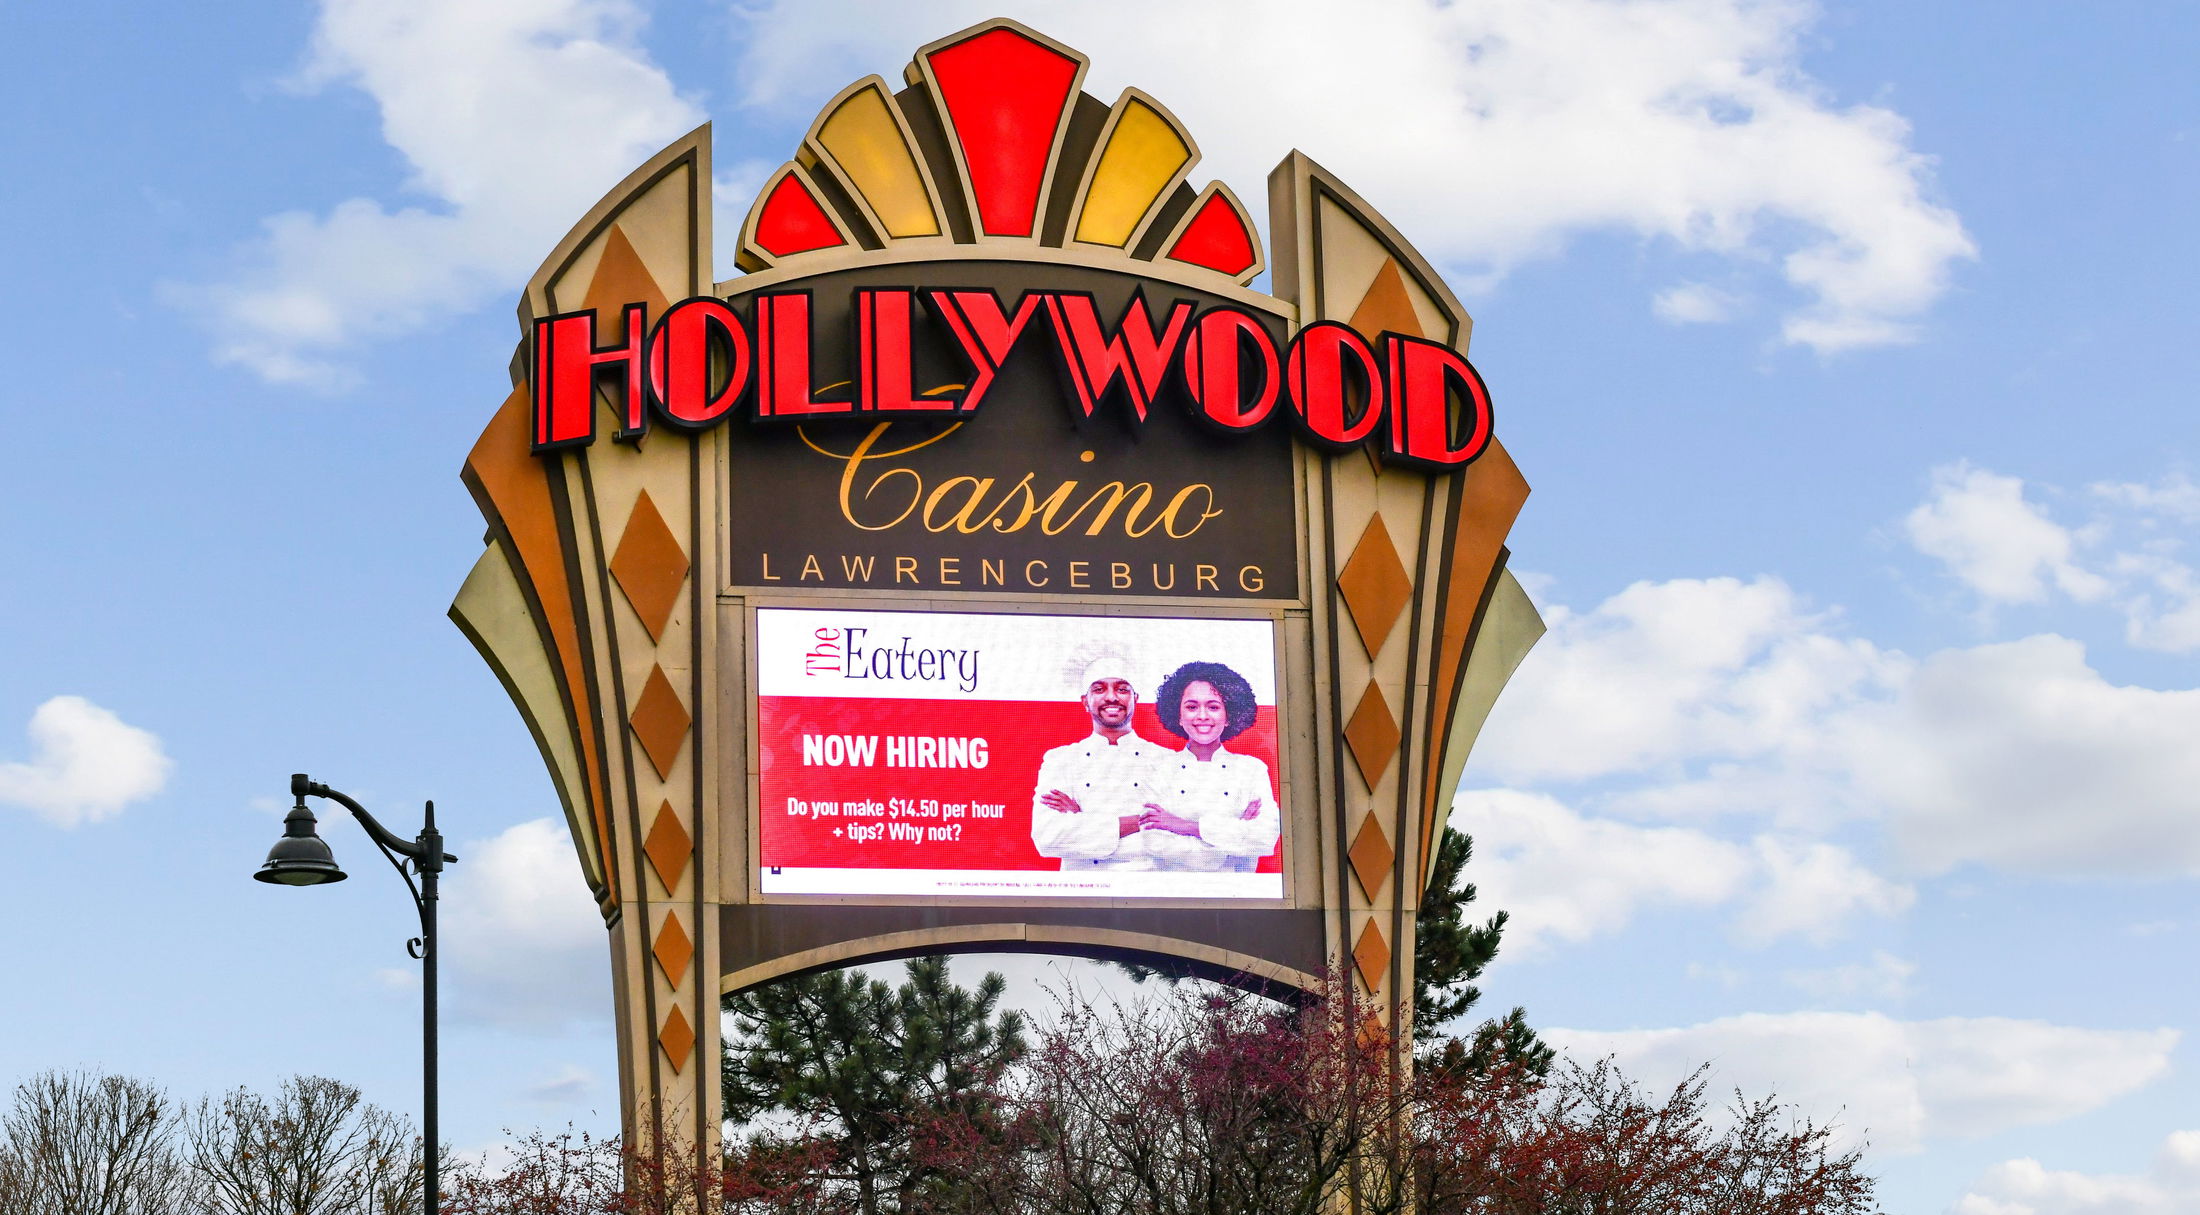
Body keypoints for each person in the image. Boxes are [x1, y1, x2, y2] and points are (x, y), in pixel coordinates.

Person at [1030, 653, 1171, 871]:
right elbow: (1047, 838)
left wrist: (1082, 820)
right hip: (1081, 893)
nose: (1111, 698)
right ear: (1085, 701)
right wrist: (1141, 822)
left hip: (1147, 890)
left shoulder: (1166, 760)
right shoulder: (1060, 760)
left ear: (1136, 698)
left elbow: (1173, 839)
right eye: (1099, 689)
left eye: (1122, 689)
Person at [1137, 660, 1281, 872]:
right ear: (1178, 715)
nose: (1202, 716)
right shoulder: (1158, 768)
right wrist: (1232, 836)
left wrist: (1185, 826)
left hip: (1239, 894)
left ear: (1228, 716)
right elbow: (1155, 843)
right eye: (1192, 707)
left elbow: (1265, 838)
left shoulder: (1251, 770)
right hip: (1172, 894)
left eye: (1213, 707)